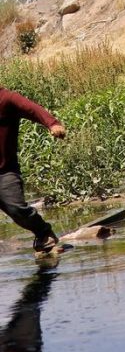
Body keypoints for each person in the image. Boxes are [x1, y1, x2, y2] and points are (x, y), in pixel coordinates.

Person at [0, 87, 66, 254]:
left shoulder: (6, 98)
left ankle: (43, 233)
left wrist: (52, 123)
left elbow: (31, 108)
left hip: (4, 171)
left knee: (16, 209)